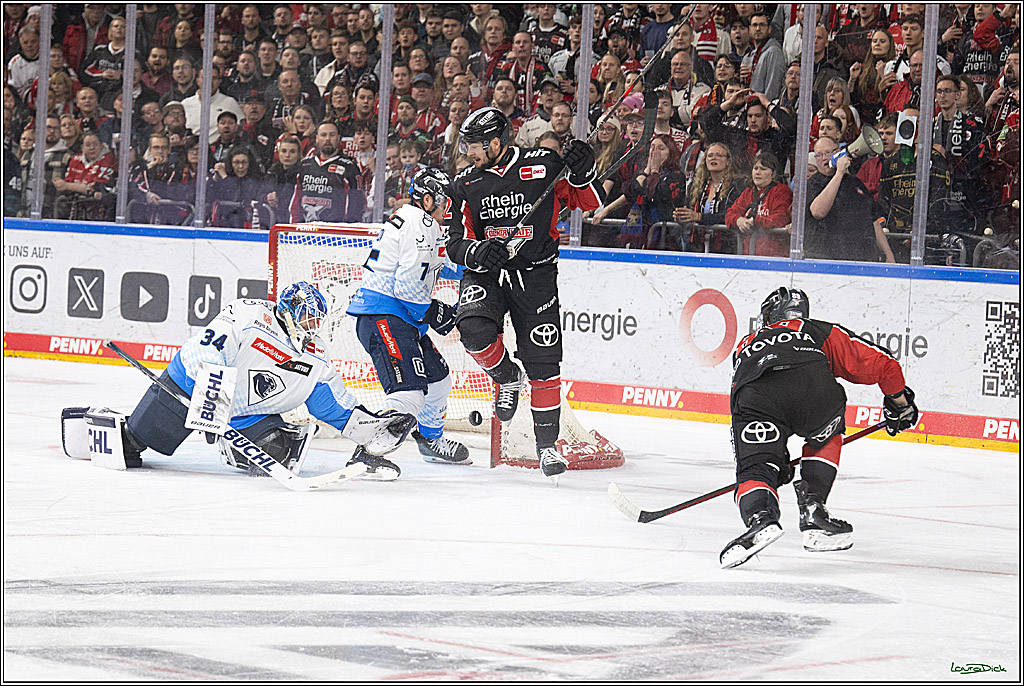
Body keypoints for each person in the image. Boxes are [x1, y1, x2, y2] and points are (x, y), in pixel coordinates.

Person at [71, 282, 416, 477]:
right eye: (308, 316)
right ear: (290, 310)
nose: (313, 325)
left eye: (317, 319)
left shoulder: (315, 354)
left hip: (244, 412)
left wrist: (373, 430)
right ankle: (99, 426)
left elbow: (333, 404)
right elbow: (209, 350)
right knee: (135, 447)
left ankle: (231, 447)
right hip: (189, 389)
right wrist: (211, 405)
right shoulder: (249, 314)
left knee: (279, 451)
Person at [445, 107, 603, 480]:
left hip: (535, 275)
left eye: (475, 145)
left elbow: (587, 201)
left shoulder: (544, 164)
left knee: (544, 361)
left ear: (496, 142)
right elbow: (455, 243)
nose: (468, 152)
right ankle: (505, 376)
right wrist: (478, 251)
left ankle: (546, 446)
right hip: (487, 274)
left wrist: (583, 171)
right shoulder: (466, 183)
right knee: (473, 329)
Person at [720, 286, 919, 569]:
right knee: (825, 432)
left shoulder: (745, 344)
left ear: (768, 316)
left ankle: (760, 519)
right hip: (813, 388)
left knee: (756, 469)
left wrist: (769, 462)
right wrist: (900, 403)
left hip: (756, 398)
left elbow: (739, 395)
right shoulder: (816, 330)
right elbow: (885, 365)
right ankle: (814, 508)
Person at [345, 169, 469, 479]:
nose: (448, 210)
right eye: (445, 203)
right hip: (385, 316)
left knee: (438, 378)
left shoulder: (414, 219)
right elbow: (408, 287)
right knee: (409, 392)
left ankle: (429, 440)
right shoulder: (420, 224)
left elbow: (439, 264)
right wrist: (435, 313)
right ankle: (366, 454)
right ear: (428, 200)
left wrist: (478, 262)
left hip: (396, 317)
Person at [806, 136, 896, 263]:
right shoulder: (813, 184)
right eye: (819, 155)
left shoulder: (855, 183)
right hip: (827, 260)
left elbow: (873, 220)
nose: (824, 158)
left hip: (862, 257)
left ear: (838, 152)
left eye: (828, 152)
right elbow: (818, 212)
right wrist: (839, 174)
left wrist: (889, 255)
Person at [289, 120, 363, 223]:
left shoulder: (349, 167)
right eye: (323, 135)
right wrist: (294, 228)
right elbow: (295, 203)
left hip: (335, 233)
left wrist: (346, 232)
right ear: (317, 139)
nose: (328, 139)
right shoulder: (305, 165)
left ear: (338, 138)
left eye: (332, 135)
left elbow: (356, 207)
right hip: (306, 231)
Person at [725, 151, 793, 256]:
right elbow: (730, 214)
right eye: (755, 168)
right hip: (748, 254)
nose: (757, 172)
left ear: (774, 174)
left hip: (774, 257)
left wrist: (754, 221)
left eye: (763, 169)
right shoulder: (748, 191)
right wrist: (738, 220)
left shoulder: (781, 191)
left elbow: (781, 218)